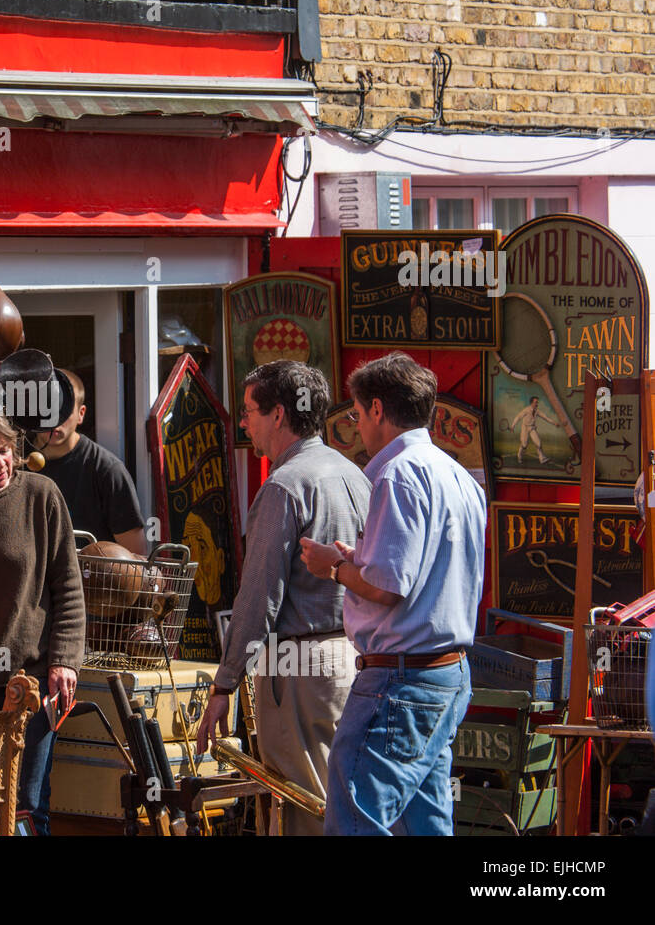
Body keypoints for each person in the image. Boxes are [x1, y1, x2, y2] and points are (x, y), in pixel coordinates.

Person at [300, 352, 486, 836]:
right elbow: (420, 573)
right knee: (424, 823)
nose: (358, 426)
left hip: (401, 681)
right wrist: (355, 560)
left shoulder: (397, 473)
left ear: (378, 410)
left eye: (359, 414)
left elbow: (387, 587)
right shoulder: (459, 475)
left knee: (355, 820)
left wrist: (335, 567)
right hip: (446, 673)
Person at [193, 360, 370, 835]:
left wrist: (224, 684)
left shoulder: (285, 485)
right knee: (344, 801)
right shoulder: (355, 475)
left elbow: (258, 598)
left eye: (249, 410)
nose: (244, 422)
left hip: (300, 669)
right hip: (354, 660)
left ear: (277, 415)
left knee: (304, 805)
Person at [0, 410, 86, 835]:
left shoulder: (42, 496)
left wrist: (65, 662)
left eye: (4, 451)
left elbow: (69, 588)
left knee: (27, 804)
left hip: (30, 680)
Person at [39, 369, 147, 554]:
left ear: (81, 414)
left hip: (88, 581)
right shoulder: (12, 461)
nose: (54, 419)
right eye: (47, 407)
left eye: (63, 409)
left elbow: (136, 559)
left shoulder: (107, 471)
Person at [510, 395, 562, 464]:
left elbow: (545, 417)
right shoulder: (526, 410)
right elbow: (518, 417)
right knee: (524, 445)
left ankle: (542, 459)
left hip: (532, 428)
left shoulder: (537, 411)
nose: (537, 404)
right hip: (525, 428)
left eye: (537, 402)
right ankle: (519, 457)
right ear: (532, 403)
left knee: (539, 443)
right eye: (536, 402)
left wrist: (554, 423)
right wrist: (513, 426)